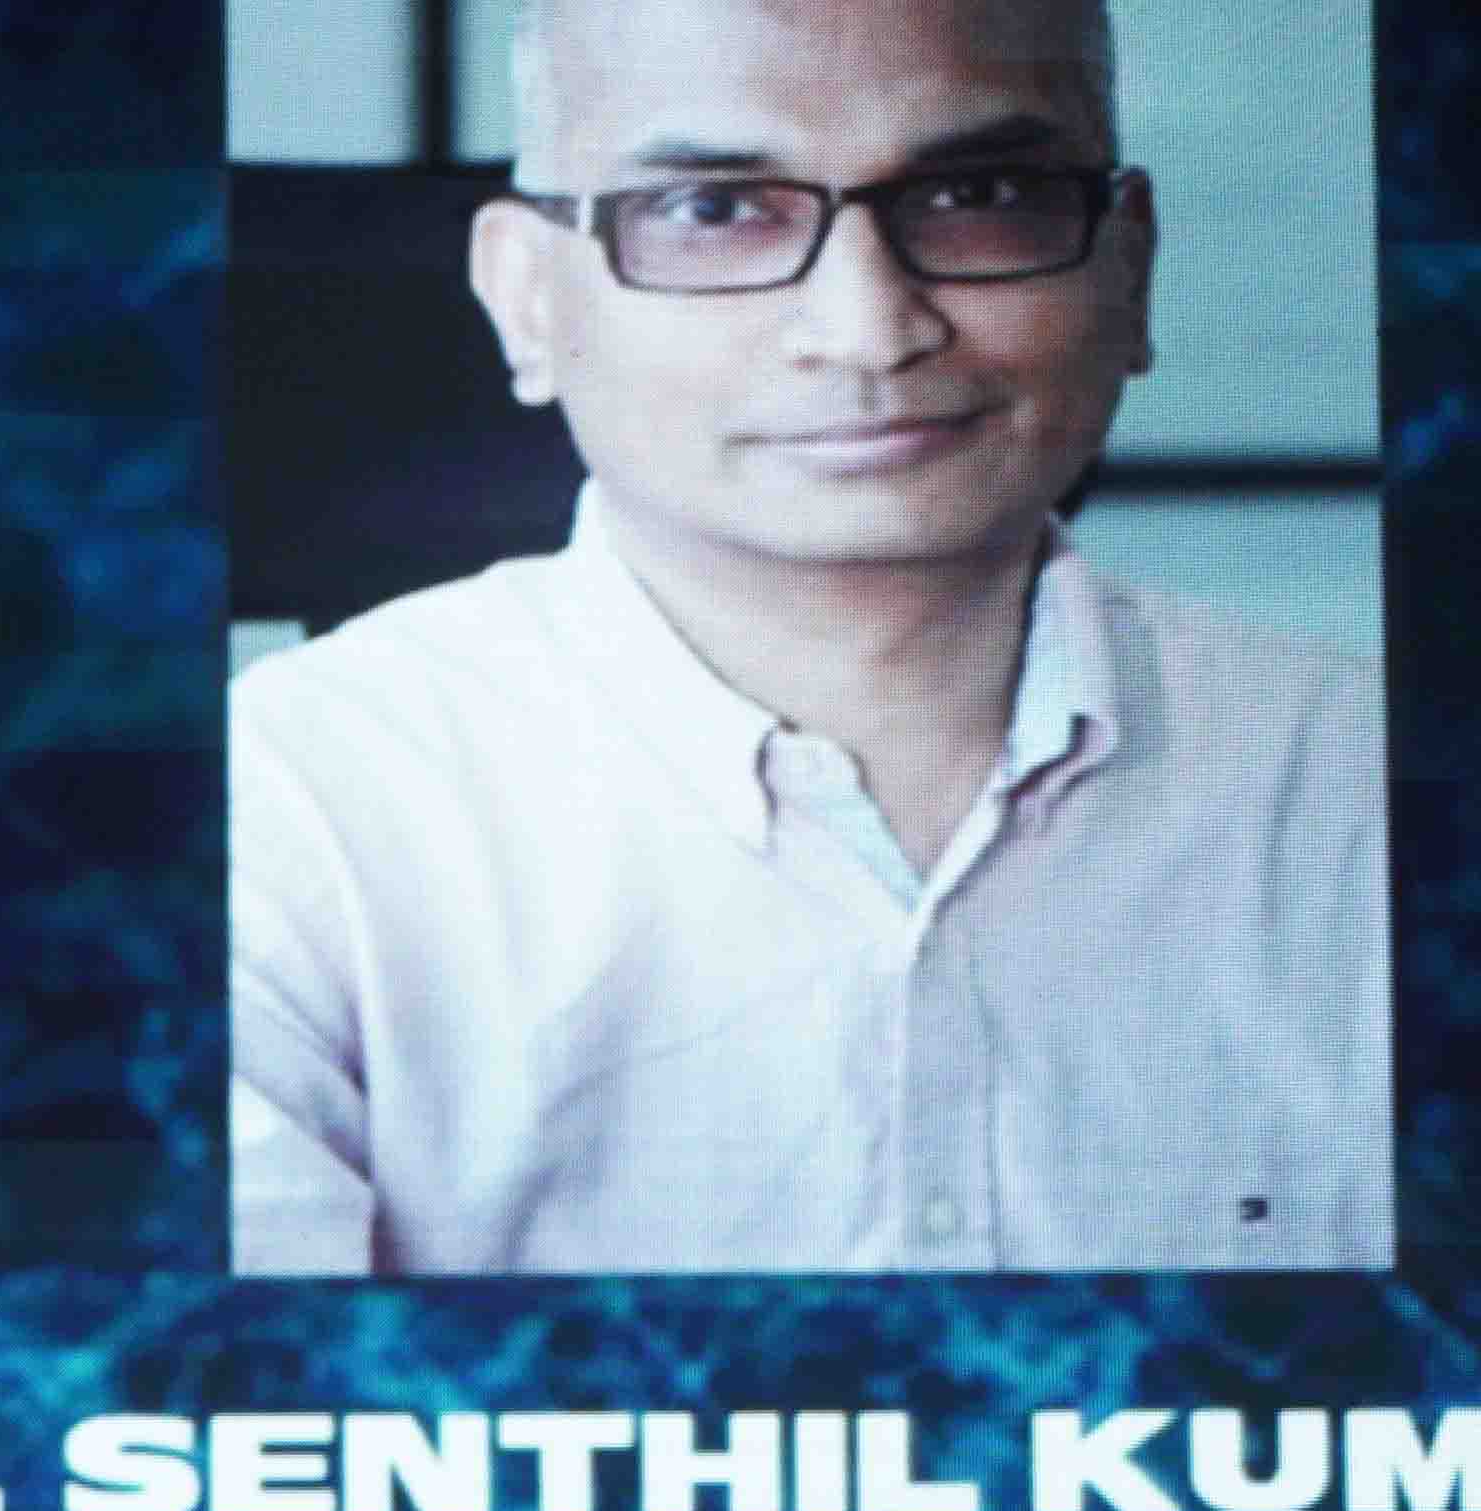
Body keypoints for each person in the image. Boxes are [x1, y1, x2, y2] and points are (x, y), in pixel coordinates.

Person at [228, 0, 1384, 1275]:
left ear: (1129, 270)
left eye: (979, 193)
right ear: (528, 300)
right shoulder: (270, 825)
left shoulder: (1395, 797)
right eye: (715, 212)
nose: (871, 329)